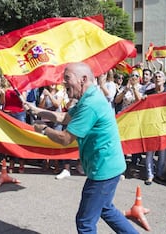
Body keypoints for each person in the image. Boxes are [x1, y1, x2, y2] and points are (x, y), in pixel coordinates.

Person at [26, 62, 138, 234]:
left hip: (103, 169)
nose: (64, 83)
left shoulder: (90, 104)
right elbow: (64, 117)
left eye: (67, 79)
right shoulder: (89, 97)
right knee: (106, 209)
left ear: (83, 79)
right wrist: (37, 111)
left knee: (85, 222)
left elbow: (65, 138)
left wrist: (44, 130)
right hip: (109, 166)